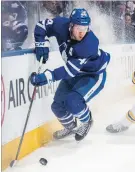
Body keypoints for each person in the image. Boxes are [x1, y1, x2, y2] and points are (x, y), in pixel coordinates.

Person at [30, 8, 110, 141]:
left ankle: (87, 121)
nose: (82, 32)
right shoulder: (61, 24)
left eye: (85, 28)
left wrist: (46, 77)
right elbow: (41, 25)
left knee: (72, 101)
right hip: (75, 73)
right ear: (71, 25)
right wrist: (41, 43)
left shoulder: (89, 43)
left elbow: (69, 71)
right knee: (57, 107)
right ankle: (71, 128)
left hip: (92, 75)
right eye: (78, 27)